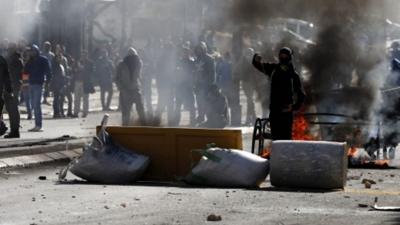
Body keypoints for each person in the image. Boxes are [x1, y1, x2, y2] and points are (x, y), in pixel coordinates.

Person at [252, 47, 306, 140]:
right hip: (274, 111)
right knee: (276, 138)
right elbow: (258, 65)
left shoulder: (293, 75)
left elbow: (301, 95)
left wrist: (293, 107)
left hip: (286, 113)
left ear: (289, 57)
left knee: (286, 139)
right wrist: (256, 58)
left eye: (285, 56)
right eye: (281, 56)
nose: (283, 58)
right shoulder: (273, 69)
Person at [115, 48, 146, 126]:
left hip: (136, 89)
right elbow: (116, 78)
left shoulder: (139, 63)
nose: (132, 59)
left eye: (134, 56)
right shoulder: (121, 64)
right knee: (126, 112)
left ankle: (145, 126)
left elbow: (139, 76)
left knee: (141, 109)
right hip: (125, 91)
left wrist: (141, 85)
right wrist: (122, 88)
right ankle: (125, 128)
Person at [24, 45, 52, 132]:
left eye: (33, 51)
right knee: (33, 105)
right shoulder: (30, 61)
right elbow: (25, 72)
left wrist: (48, 83)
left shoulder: (43, 60)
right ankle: (37, 124)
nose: (31, 52)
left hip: (39, 85)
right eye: (30, 51)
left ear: (37, 51)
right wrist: (25, 84)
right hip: (31, 85)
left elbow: (48, 72)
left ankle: (38, 125)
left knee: (36, 105)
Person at [194, 42, 216, 125]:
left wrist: (211, 85)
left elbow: (212, 73)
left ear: (204, 49)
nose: (198, 50)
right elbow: (194, 73)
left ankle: (209, 119)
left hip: (207, 85)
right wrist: (194, 83)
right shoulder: (197, 59)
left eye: (200, 48)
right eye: (197, 49)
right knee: (199, 102)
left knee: (207, 103)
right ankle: (201, 117)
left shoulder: (209, 59)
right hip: (198, 85)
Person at [174, 46, 196, 126]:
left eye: (186, 52)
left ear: (188, 53)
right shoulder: (178, 62)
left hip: (188, 87)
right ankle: (176, 121)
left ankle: (193, 122)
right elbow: (175, 74)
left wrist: (193, 84)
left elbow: (194, 74)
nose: (184, 54)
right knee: (178, 105)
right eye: (183, 52)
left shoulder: (191, 62)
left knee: (191, 105)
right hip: (180, 87)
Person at [0, 54, 20, 138]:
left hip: (10, 87)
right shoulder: (3, 59)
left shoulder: (15, 61)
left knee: (12, 109)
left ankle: (5, 128)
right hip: (8, 87)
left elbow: (7, 75)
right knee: (12, 109)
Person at [72, 51, 94, 118]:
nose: (83, 56)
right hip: (77, 81)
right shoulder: (77, 62)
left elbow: (91, 71)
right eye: (82, 55)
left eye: (84, 55)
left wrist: (83, 68)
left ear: (87, 55)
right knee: (76, 98)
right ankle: (76, 112)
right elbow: (73, 70)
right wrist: (76, 69)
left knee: (85, 98)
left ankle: (85, 112)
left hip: (85, 82)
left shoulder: (90, 63)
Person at [50, 54, 66, 118]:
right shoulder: (55, 66)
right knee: (56, 99)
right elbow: (56, 76)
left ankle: (60, 112)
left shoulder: (61, 66)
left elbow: (63, 75)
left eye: (60, 58)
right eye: (58, 58)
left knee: (61, 99)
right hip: (57, 84)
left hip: (61, 84)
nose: (60, 59)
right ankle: (56, 112)